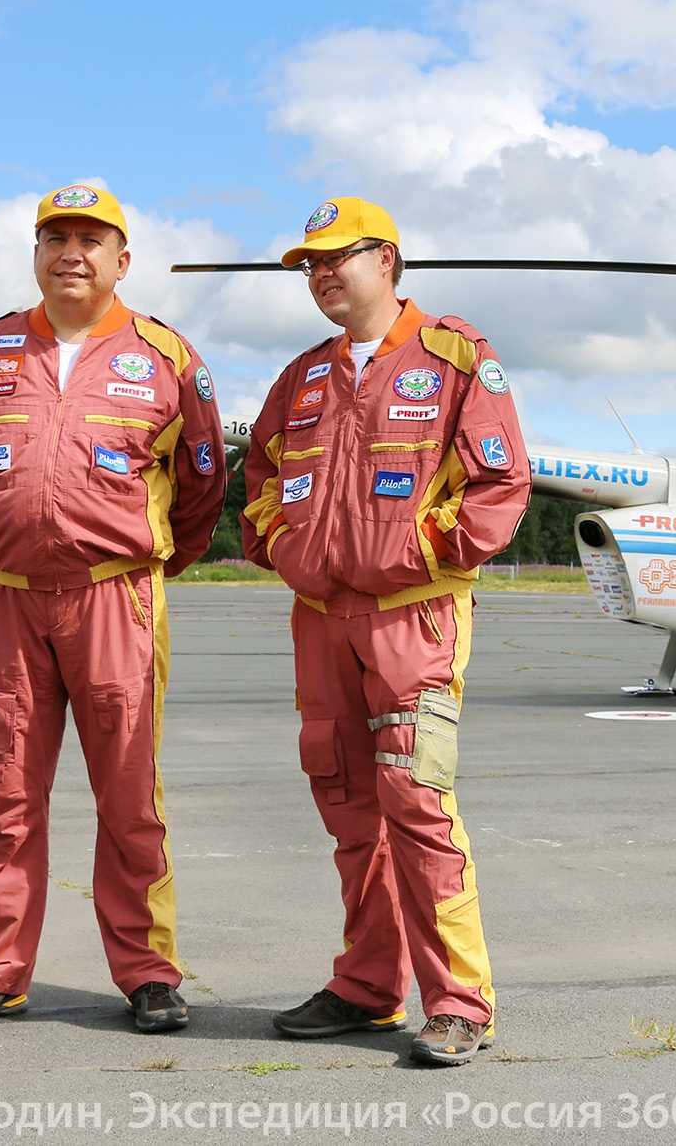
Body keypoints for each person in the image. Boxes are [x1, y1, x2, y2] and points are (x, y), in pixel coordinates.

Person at [0, 184, 224, 1035]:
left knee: (128, 793)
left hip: (115, 600)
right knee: (8, 793)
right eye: (54, 236)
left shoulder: (166, 355)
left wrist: (149, 555)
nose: (71, 253)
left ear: (121, 260)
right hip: (10, 602)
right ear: (35, 252)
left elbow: (203, 481)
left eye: (91, 240)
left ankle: (148, 972)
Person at [241, 197, 531, 1066]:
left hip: (415, 616)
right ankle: (368, 988)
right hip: (321, 619)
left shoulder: (454, 354)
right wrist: (286, 547)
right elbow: (259, 479)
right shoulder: (300, 378)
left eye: (339, 256)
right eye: (310, 263)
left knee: (417, 803)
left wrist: (414, 549)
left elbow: (500, 486)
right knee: (348, 806)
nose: (322, 273)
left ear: (389, 261)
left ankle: (458, 1001)